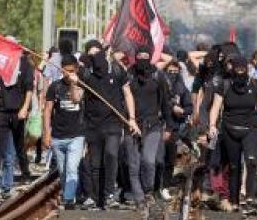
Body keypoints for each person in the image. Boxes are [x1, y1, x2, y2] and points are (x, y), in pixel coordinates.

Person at [80, 40, 139, 209]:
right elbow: (77, 97)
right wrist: (73, 82)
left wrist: (132, 118)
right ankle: (97, 197)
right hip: (92, 125)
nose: (95, 57)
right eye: (91, 55)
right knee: (95, 163)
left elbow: (127, 94)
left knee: (111, 155)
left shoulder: (116, 70)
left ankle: (110, 194)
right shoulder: (85, 73)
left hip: (113, 123)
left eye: (97, 53)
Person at [208, 56, 257, 212]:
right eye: (237, 69)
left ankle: (249, 197)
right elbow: (215, 107)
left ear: (247, 69)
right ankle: (234, 201)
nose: (240, 71)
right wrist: (212, 125)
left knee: (252, 161)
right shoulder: (225, 85)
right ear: (233, 69)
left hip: (251, 129)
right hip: (230, 129)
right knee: (234, 166)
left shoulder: (256, 85)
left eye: (243, 69)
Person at [124, 50, 169, 205]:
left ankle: (148, 190)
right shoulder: (128, 75)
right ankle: (138, 196)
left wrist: (168, 126)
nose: (142, 60)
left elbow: (165, 102)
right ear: (135, 58)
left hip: (153, 125)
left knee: (149, 161)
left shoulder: (158, 76)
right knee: (133, 164)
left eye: (146, 57)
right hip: (131, 124)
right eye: (139, 57)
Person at [0, 47, 34, 191]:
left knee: (19, 145)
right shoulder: (0, 63)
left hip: (18, 111)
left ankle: (25, 173)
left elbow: (29, 88)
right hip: (2, 111)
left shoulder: (25, 65)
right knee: (1, 148)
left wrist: (25, 108)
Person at [44, 54, 86, 208]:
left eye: (71, 71)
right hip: (58, 136)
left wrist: (74, 84)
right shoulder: (54, 87)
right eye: (65, 71)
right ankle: (72, 192)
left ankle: (69, 200)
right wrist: (47, 134)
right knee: (63, 171)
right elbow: (48, 111)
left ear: (76, 69)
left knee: (71, 168)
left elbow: (76, 99)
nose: (68, 74)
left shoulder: (82, 85)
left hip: (77, 135)